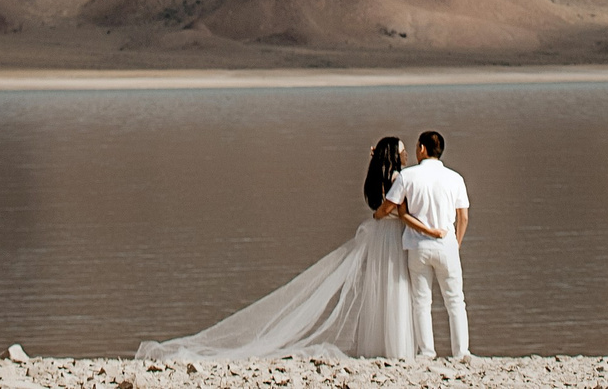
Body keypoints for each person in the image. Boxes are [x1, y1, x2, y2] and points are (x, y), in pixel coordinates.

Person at [135, 136, 429, 360]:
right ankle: (398, 347)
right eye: (402, 150)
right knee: (396, 284)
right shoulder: (397, 179)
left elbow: (381, 205)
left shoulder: (376, 178)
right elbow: (397, 207)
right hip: (392, 236)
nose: (406, 153)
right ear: (394, 155)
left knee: (382, 287)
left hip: (380, 237)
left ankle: (380, 345)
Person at [386, 129, 472, 360]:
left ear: (422, 148)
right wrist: (457, 243)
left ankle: (427, 351)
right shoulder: (455, 178)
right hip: (446, 244)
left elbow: (391, 204)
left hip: (418, 245)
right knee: (455, 300)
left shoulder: (408, 176)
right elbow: (463, 217)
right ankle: (461, 351)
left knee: (422, 301)